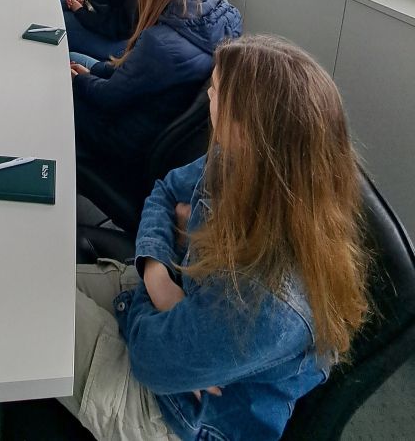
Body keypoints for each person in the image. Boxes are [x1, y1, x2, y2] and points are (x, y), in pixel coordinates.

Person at [64, 35, 369, 441]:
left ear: (248, 126)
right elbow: (165, 191)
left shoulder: (271, 300)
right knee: (32, 286)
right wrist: (158, 277)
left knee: (22, 313)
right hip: (163, 300)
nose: (208, 95)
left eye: (216, 90)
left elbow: (152, 361)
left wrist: (167, 297)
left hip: (170, 412)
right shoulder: (239, 159)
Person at [71, 0, 241, 172]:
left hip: (126, 138)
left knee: (56, 87)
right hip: (157, 120)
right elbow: (134, 73)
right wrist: (95, 71)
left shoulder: (159, 42)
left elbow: (108, 97)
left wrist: (80, 80)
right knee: (76, 59)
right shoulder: (225, 18)